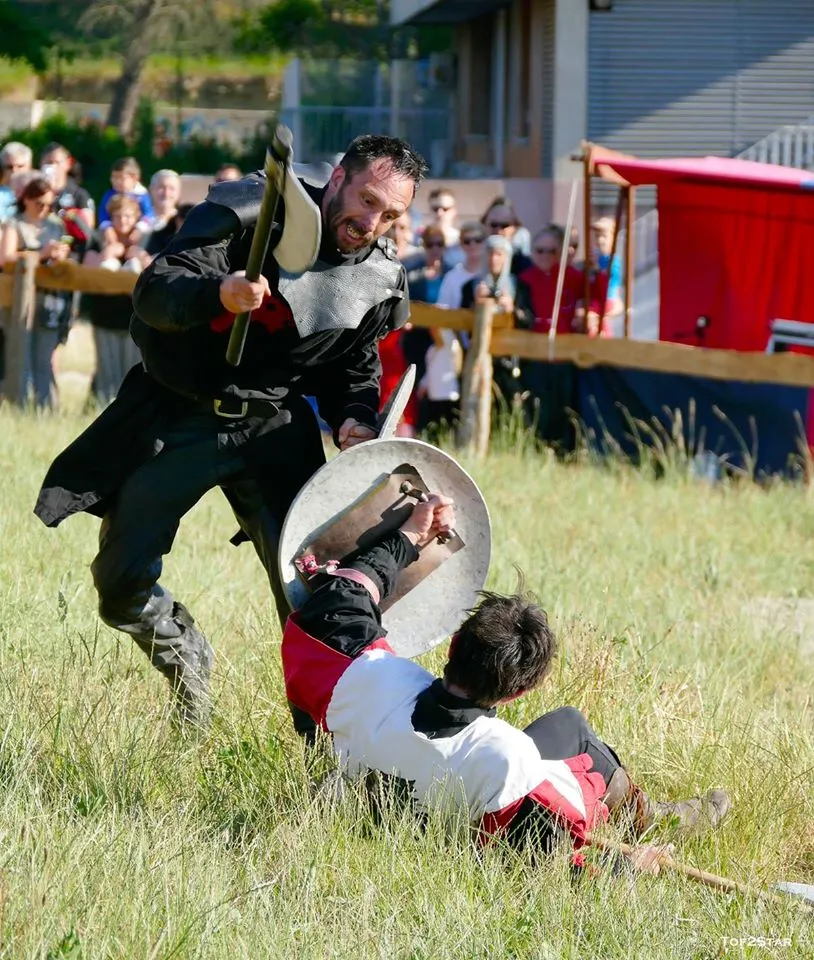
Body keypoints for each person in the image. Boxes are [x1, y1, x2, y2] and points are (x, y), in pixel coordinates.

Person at [35, 134, 428, 728]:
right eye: (367, 201)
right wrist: (217, 292)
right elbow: (155, 290)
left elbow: (354, 368)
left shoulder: (376, 276)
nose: (372, 223)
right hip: (177, 413)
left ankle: (328, 745)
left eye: (391, 214)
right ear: (338, 179)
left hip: (275, 428)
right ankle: (183, 653)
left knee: (314, 596)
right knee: (118, 584)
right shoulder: (249, 210)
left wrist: (355, 417)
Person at [282, 493, 731, 861]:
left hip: (372, 804)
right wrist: (631, 866)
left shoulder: (368, 680)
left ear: (453, 645)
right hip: (450, 832)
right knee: (573, 731)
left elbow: (343, 595)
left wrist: (410, 536)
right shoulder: (508, 761)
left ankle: (647, 814)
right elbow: (557, 869)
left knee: (566, 726)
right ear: (519, 692)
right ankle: (646, 817)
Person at [0, 175, 74, 407]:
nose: (44, 209)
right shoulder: (14, 224)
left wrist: (60, 255)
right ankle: (18, 404)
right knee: (19, 350)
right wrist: (41, 254)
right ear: (27, 200)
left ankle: (47, 407)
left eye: (49, 204)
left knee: (45, 354)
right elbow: (5, 258)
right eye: (39, 203)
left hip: (50, 296)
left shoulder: (55, 225)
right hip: (18, 298)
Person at [436, 221, 485, 310]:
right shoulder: (451, 277)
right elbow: (442, 309)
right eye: (467, 241)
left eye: (478, 240)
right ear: (461, 245)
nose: (472, 245)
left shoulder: (490, 274)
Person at [98, 157, 153, 231]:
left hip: (137, 231)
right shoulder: (110, 195)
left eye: (121, 178)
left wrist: (140, 227)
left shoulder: (141, 195)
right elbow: (103, 213)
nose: (117, 182)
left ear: (135, 178)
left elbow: (148, 213)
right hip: (114, 231)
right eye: (114, 178)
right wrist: (107, 227)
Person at [480, 196, 531, 272]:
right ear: (484, 225)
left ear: (514, 228)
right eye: (494, 225)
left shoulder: (525, 267)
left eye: (504, 225)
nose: (498, 230)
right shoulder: (472, 257)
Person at [0, 142, 32, 224]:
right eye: (9, 167)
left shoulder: (38, 193)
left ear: (29, 167)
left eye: (20, 166)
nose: (14, 170)